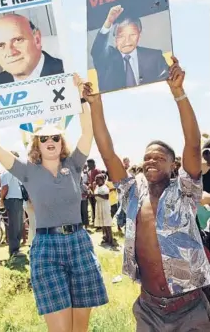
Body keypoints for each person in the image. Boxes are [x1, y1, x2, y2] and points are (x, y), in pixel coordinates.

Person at [0, 74, 108, 332]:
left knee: (80, 330)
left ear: (61, 141)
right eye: (44, 138)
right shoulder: (27, 170)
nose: (50, 141)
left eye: (55, 137)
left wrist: (80, 98)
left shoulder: (74, 164)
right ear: (36, 144)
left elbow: (87, 131)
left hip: (79, 244)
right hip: (46, 248)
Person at [85, 56, 210, 331]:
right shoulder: (131, 193)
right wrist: (96, 104)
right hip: (149, 310)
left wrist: (178, 93)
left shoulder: (185, 192)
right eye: (147, 158)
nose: (150, 161)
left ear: (173, 165)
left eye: (159, 158)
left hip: (189, 309)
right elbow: (107, 152)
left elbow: (192, 143)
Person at [91, 5, 169, 92]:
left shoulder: (155, 57)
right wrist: (108, 22)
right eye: (121, 36)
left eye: (132, 35)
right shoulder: (106, 58)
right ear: (115, 38)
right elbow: (97, 51)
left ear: (139, 35)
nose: (127, 41)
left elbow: (167, 85)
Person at [0, 14, 64, 87]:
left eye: (18, 40)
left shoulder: (68, 72)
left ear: (37, 40)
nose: (11, 52)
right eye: (1, 45)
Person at [0, 151, 25, 258]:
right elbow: (4, 188)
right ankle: (13, 250)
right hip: (12, 200)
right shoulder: (6, 172)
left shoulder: (16, 172)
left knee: (19, 225)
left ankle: (16, 248)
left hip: (18, 200)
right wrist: (1, 200)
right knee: (14, 225)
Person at [93, 174, 114, 246]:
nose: (96, 181)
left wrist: (97, 195)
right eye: (96, 180)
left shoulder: (105, 187)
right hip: (99, 205)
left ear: (102, 180)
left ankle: (111, 240)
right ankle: (105, 237)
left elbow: (106, 197)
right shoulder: (96, 187)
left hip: (104, 205)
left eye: (98, 180)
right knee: (102, 223)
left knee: (107, 222)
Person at [87, 159, 101, 224]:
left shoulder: (97, 171)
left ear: (93, 164)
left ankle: (98, 222)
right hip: (91, 193)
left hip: (96, 192)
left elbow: (100, 181)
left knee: (97, 207)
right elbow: (89, 181)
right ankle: (94, 220)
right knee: (93, 207)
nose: (88, 166)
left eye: (89, 164)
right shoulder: (89, 172)